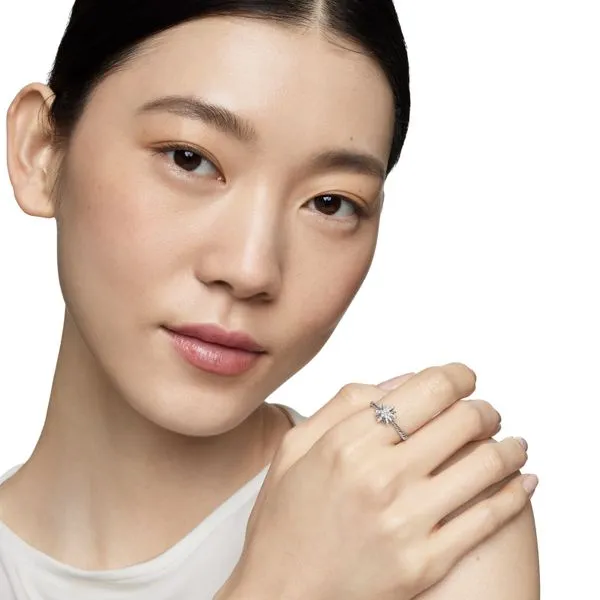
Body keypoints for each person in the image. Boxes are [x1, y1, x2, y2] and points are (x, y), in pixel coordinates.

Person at [0, 1, 539, 599]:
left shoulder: (422, 520)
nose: (250, 269)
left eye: (331, 203)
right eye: (189, 159)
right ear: (40, 151)